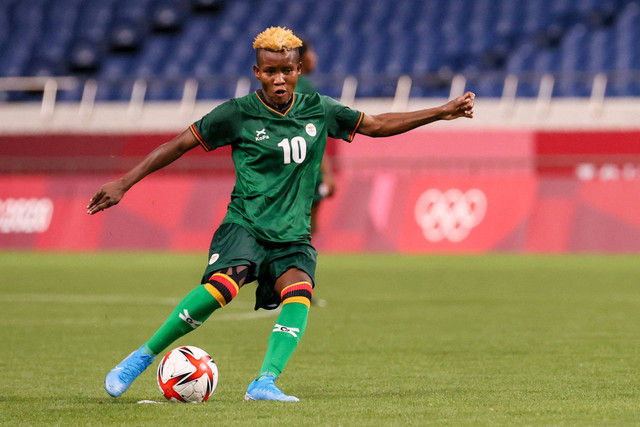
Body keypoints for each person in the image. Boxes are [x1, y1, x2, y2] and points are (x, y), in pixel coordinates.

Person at [87, 26, 475, 402]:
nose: (278, 79)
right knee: (223, 287)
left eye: (286, 70)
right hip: (246, 225)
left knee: (300, 292)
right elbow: (178, 145)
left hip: (292, 234)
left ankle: (264, 383)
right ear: (257, 72)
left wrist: (442, 112)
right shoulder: (236, 114)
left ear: (298, 71)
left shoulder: (318, 109)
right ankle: (139, 358)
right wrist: (124, 182)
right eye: (270, 71)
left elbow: (376, 125)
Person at [295, 39, 336, 236]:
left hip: (279, 170)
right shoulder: (305, 88)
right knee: (306, 230)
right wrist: (327, 173)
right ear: (302, 59)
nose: (315, 57)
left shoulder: (276, 87)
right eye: (312, 53)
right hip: (304, 171)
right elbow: (313, 134)